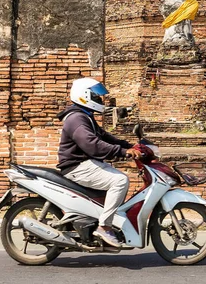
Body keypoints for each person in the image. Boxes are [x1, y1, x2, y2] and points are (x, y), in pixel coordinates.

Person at [56, 77, 143, 247]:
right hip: (77, 166)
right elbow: (93, 145)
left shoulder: (85, 116)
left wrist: (129, 145)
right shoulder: (76, 119)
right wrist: (124, 152)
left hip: (86, 163)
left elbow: (104, 137)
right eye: (96, 97)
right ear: (84, 96)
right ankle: (104, 226)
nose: (100, 100)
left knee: (114, 178)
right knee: (120, 181)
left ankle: (98, 219)